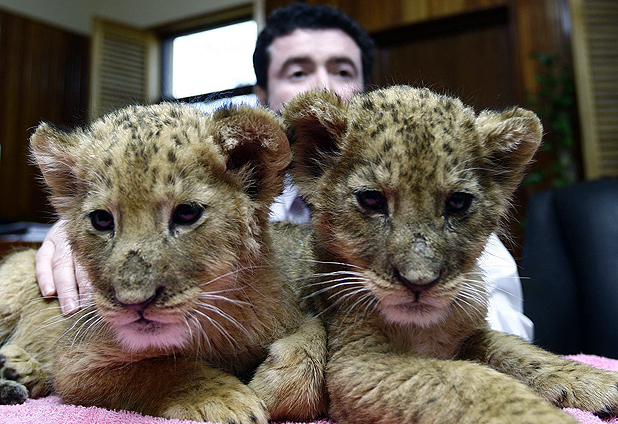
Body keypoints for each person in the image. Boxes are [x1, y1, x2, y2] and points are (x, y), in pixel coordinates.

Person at [35, 2, 533, 341]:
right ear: (262, 94)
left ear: (366, 89)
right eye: (298, 72)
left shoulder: (443, 198)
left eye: (343, 71)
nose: (323, 88)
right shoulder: (225, 176)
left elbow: (509, 323)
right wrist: (86, 232)